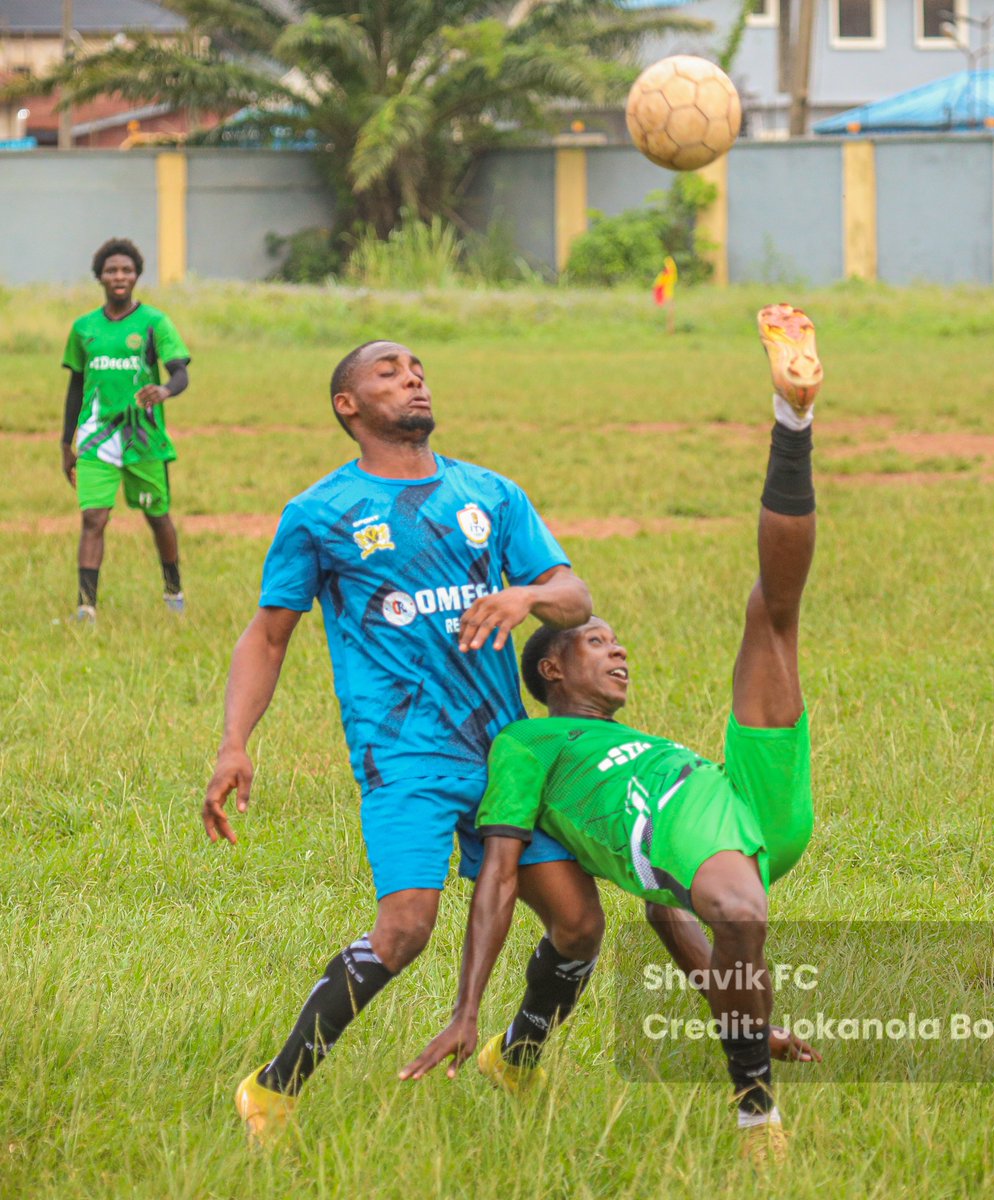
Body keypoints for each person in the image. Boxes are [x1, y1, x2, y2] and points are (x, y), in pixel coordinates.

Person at [401, 304, 824, 1166]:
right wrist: (465, 1005)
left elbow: (677, 922)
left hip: (737, 798)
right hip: (689, 829)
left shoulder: (635, 744)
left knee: (771, 615)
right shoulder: (526, 747)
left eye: (614, 640)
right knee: (742, 910)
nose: (616, 647)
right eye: (595, 641)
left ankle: (794, 416)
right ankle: (756, 1122)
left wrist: (746, 1008)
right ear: (550, 671)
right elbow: (500, 872)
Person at [202, 339, 605, 1144]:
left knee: (579, 926)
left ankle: (514, 1055)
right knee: (404, 931)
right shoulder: (320, 514)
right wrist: (234, 743)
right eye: (387, 371)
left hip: (508, 756)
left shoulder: (488, 493)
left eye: (416, 367)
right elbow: (270, 634)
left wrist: (527, 595)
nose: (411, 377)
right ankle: (272, 1090)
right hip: (405, 757)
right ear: (347, 406)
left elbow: (574, 594)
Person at [61, 238, 191, 622]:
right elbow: (75, 387)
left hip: (143, 438)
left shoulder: (154, 323)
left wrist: (165, 390)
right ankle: (86, 608)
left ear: (136, 275)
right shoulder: (84, 328)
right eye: (112, 270)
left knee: (157, 516)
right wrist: (64, 443)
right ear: (100, 277)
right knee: (93, 518)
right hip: (95, 438)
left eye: (126, 270)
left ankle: (173, 593)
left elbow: (180, 372)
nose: (119, 276)